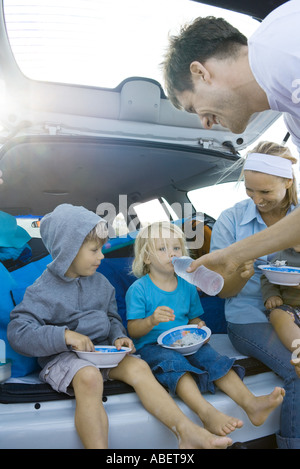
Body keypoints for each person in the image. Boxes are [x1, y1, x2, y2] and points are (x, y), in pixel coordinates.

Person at [7, 203, 234, 450]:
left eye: (101, 249)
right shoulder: (42, 291)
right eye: (94, 250)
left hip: (102, 352)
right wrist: (65, 336)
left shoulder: (101, 283)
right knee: (89, 376)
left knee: (138, 366)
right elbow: (18, 332)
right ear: (67, 250)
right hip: (63, 358)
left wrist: (118, 337)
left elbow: (113, 317)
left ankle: (185, 431)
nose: (102, 256)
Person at [125, 220, 284, 438]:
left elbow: (193, 318)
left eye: (176, 248)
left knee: (212, 356)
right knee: (176, 366)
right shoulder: (139, 289)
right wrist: (151, 320)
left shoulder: (187, 284)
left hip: (183, 341)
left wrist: (197, 326)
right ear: (146, 257)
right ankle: (206, 412)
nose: (171, 254)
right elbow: (133, 330)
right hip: (152, 345)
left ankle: (251, 404)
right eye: (162, 249)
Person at [208, 141, 300, 448]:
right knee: (297, 368)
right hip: (247, 316)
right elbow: (223, 292)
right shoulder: (231, 220)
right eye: (250, 190)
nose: (257, 199)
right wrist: (238, 274)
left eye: (266, 192)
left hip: (294, 310)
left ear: (288, 182)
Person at [161, 0, 300, 154]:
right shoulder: (295, 123)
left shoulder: (286, 45)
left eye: (193, 108)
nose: (206, 124)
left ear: (200, 73)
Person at [260, 245, 300, 378]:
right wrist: (272, 295)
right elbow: (267, 277)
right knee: (276, 315)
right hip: (289, 308)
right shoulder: (282, 255)